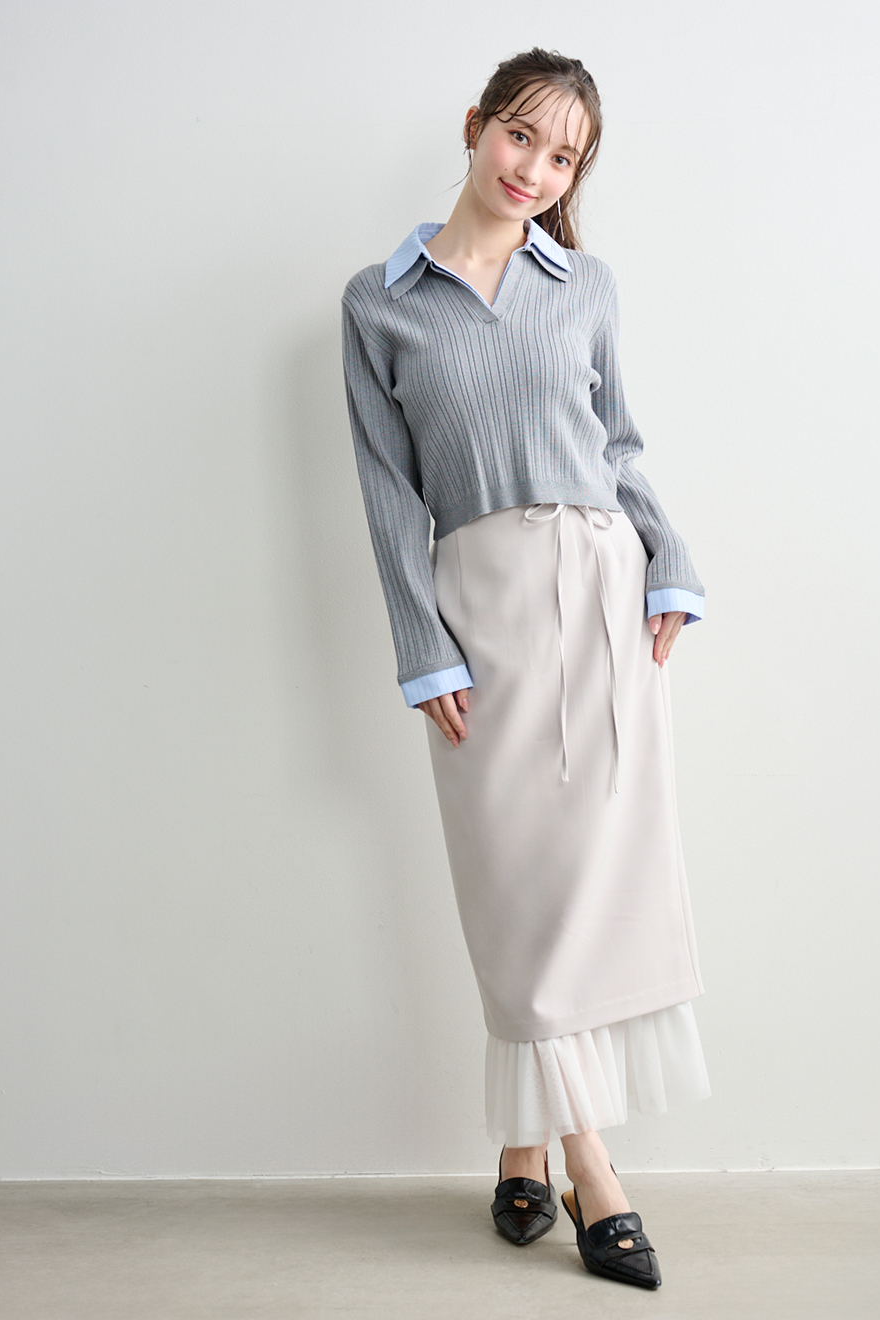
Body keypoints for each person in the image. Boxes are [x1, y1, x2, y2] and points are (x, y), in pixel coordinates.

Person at [341, 47, 711, 1291]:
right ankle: (594, 1170)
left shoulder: (584, 285)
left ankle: (526, 1148)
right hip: (479, 609)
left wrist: (669, 558)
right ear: (475, 125)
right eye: (520, 137)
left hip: (603, 596)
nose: (534, 171)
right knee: (514, 893)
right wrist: (419, 646)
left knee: (587, 893)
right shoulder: (378, 304)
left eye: (562, 158)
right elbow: (386, 495)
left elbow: (619, 444)